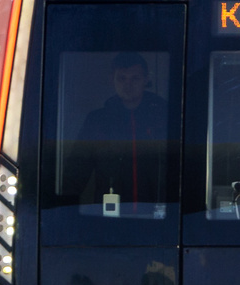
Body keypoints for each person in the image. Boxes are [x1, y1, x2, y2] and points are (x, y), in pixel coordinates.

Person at [73, 51, 172, 206]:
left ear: (146, 79)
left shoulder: (164, 117)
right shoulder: (97, 121)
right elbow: (77, 170)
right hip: (110, 211)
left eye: (135, 78)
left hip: (160, 211)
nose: (128, 85)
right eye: (122, 78)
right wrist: (63, 210)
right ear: (112, 80)